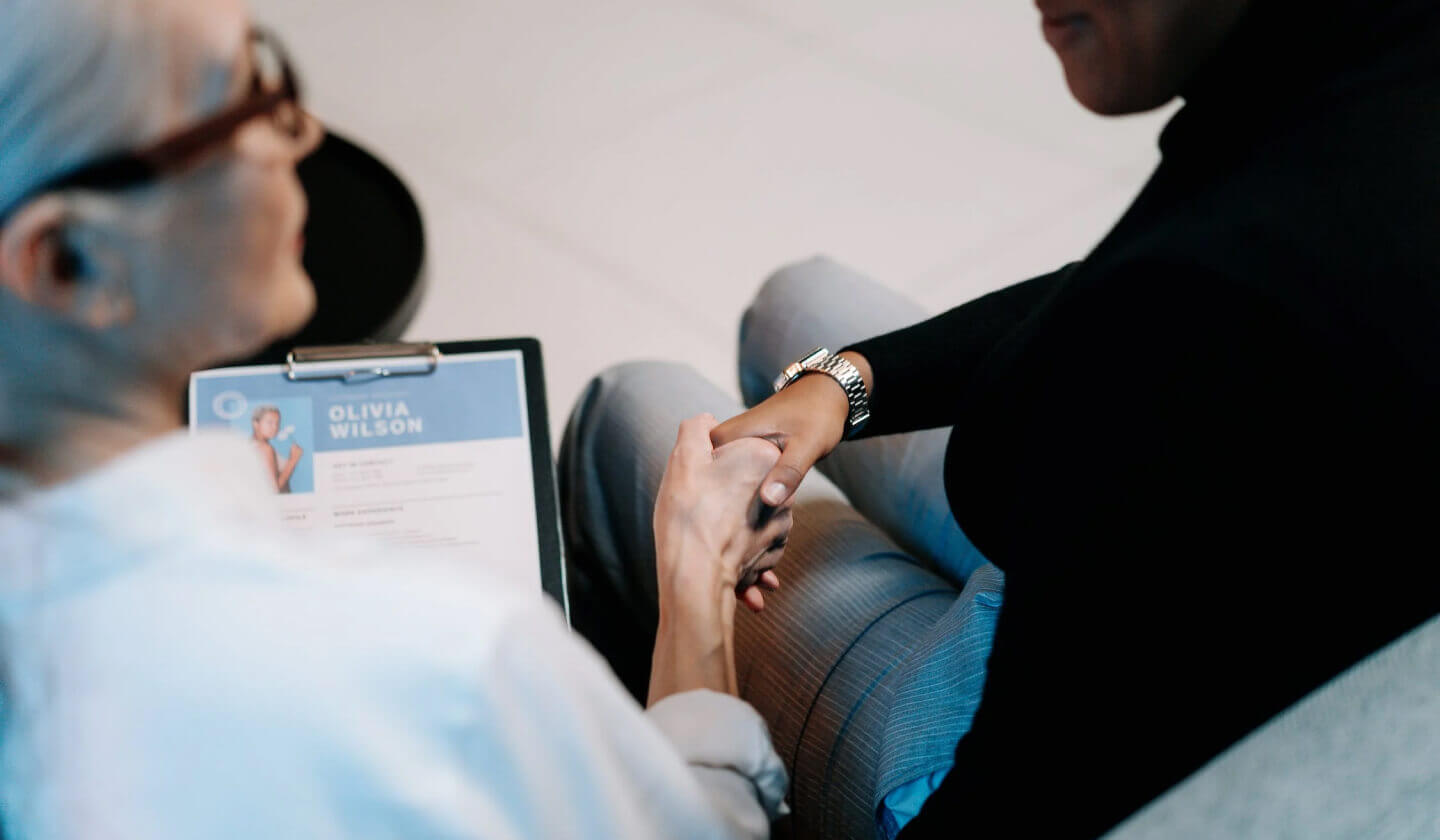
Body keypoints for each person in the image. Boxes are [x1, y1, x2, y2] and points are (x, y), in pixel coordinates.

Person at [564, 0, 1440, 837]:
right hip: (1171, 581)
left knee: (626, 407)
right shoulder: (1361, 87)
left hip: (1053, 756)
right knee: (794, 305)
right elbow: (1124, 284)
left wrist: (694, 580)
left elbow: (1018, 802)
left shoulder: (1198, 319)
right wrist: (847, 382)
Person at [0, 1, 792, 837]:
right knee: (626, 407)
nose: (300, 132)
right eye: (242, 94)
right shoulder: (450, 665)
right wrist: (698, 569)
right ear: (65, 262)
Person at [250, 405, 301, 493]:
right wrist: (293, 459)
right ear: (256, 423)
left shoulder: (250, 445)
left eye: (277, 423)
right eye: (270, 423)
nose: (275, 427)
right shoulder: (265, 448)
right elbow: (274, 488)